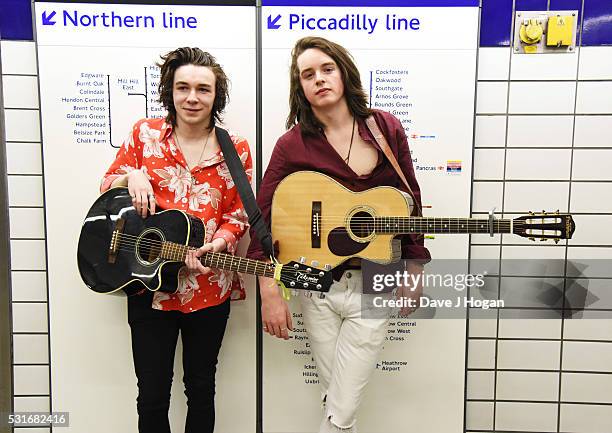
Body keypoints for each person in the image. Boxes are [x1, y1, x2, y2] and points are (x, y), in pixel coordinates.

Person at [247, 36, 430, 433]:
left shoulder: (385, 128)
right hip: (314, 279)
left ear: (343, 72)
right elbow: (262, 219)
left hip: (376, 276)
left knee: (341, 403)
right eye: (307, 75)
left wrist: (415, 269)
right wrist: (268, 292)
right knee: (337, 396)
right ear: (301, 88)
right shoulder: (292, 144)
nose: (319, 79)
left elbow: (410, 200)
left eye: (326, 69)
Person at [100, 47, 252, 433]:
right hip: (147, 285)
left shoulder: (236, 148)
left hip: (209, 287)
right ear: (169, 90)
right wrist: (130, 176)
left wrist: (220, 242)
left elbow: (238, 215)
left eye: (203, 89)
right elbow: (106, 188)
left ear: (217, 95)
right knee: (151, 393)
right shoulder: (144, 134)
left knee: (201, 389)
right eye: (182, 87)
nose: (192, 97)